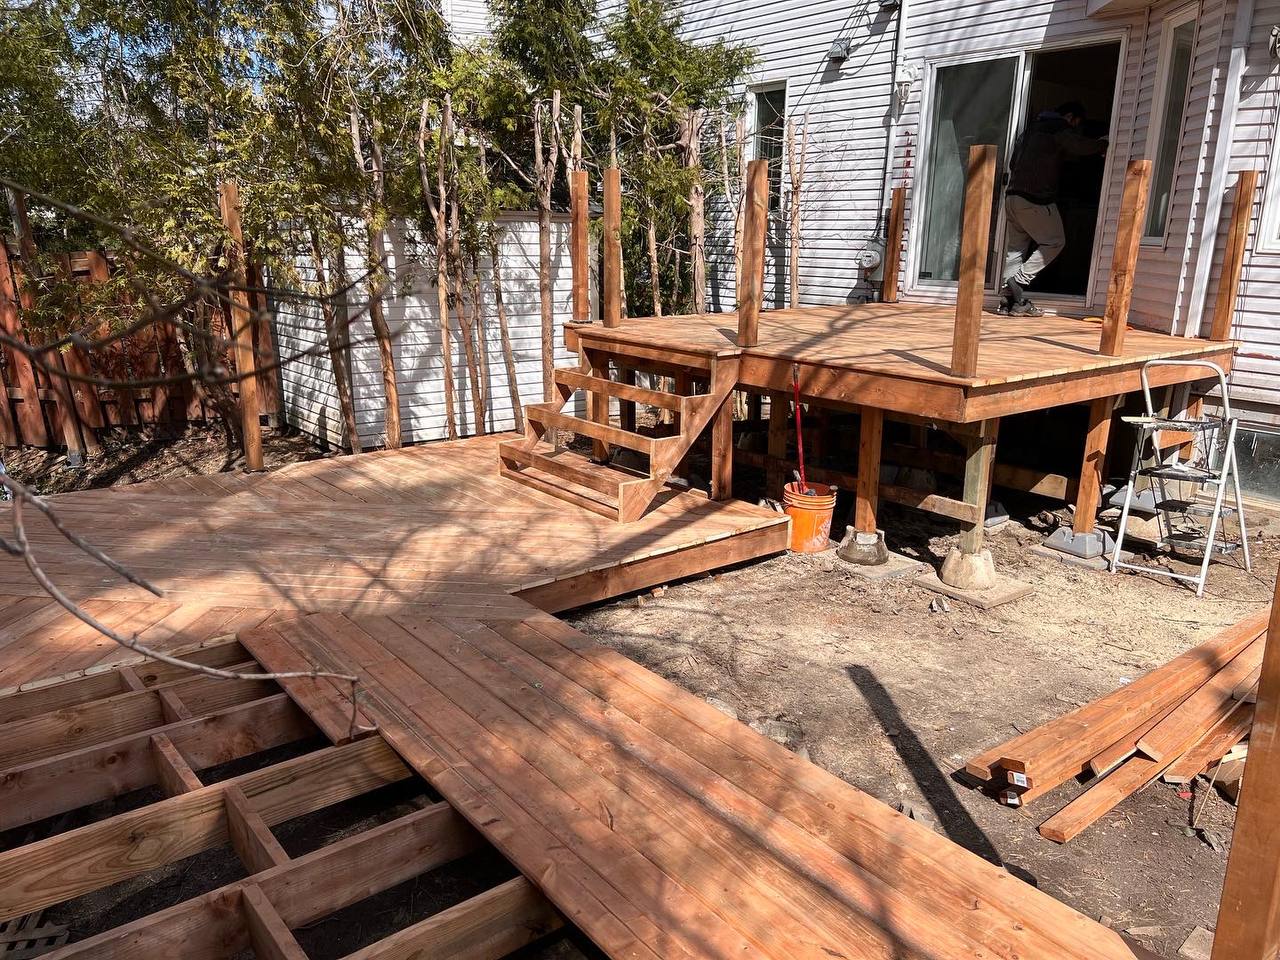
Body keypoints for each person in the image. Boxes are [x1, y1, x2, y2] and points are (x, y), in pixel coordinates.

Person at [999, 100, 1107, 317]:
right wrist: (1102, 145)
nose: (1075, 128)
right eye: (1076, 124)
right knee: (1055, 241)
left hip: (1012, 197)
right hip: (1035, 199)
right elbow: (1079, 146)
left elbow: (1012, 164)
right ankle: (1018, 282)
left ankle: (1009, 302)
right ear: (1070, 117)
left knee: (1016, 250)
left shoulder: (1029, 131)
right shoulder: (1057, 128)